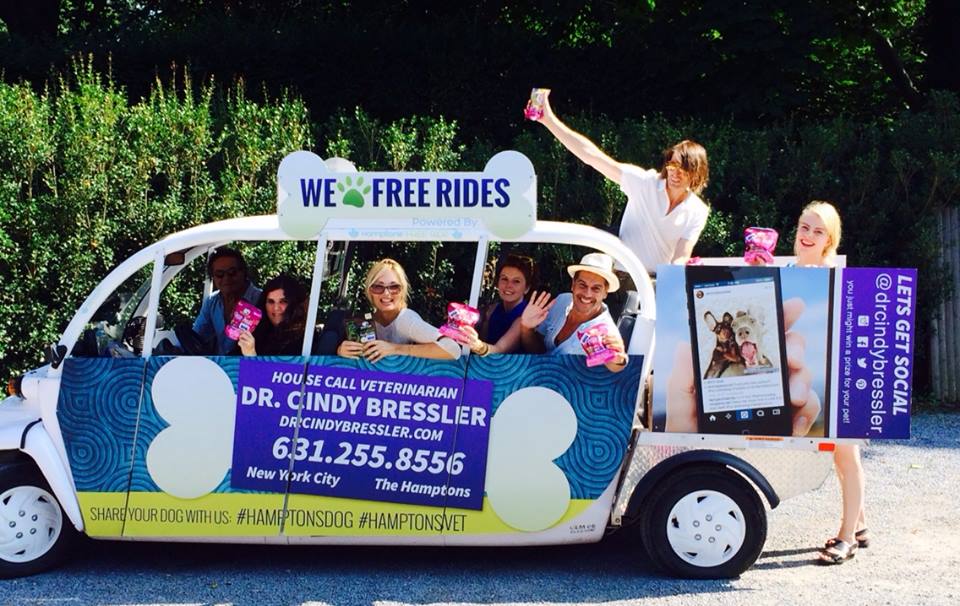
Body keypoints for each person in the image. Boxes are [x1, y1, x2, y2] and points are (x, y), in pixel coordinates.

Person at [531, 90, 709, 269]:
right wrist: (549, 120)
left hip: (657, 281)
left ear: (696, 173)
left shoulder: (698, 210)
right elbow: (592, 156)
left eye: (684, 169)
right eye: (672, 164)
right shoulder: (644, 183)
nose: (675, 172)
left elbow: (681, 256)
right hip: (621, 274)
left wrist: (680, 272)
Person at [519, 252, 628, 372]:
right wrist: (526, 328)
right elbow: (537, 351)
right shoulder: (562, 300)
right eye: (582, 285)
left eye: (596, 288)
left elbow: (615, 366)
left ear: (605, 293)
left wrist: (619, 361)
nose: (587, 294)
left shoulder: (607, 331)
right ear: (573, 285)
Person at [336, 258, 461, 362]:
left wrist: (395, 349)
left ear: (402, 291)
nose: (386, 293)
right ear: (370, 291)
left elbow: (453, 349)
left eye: (394, 287)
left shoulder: (406, 319)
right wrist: (341, 351)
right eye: (378, 287)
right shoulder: (366, 321)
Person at [460, 253, 536, 356]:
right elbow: (485, 340)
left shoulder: (525, 317)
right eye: (504, 279)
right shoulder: (493, 309)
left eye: (516, 281)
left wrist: (477, 345)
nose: (508, 285)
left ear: (527, 288)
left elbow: (499, 350)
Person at [193, 247, 261, 355]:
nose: (226, 278)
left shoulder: (263, 299)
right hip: (219, 364)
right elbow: (197, 335)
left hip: (251, 363)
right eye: (219, 274)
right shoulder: (212, 302)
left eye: (232, 272)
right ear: (213, 277)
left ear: (243, 272)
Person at [235, 275, 308, 357]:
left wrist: (251, 354)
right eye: (271, 302)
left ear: (295, 304)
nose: (276, 308)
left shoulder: (307, 339)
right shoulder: (257, 332)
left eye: (283, 301)